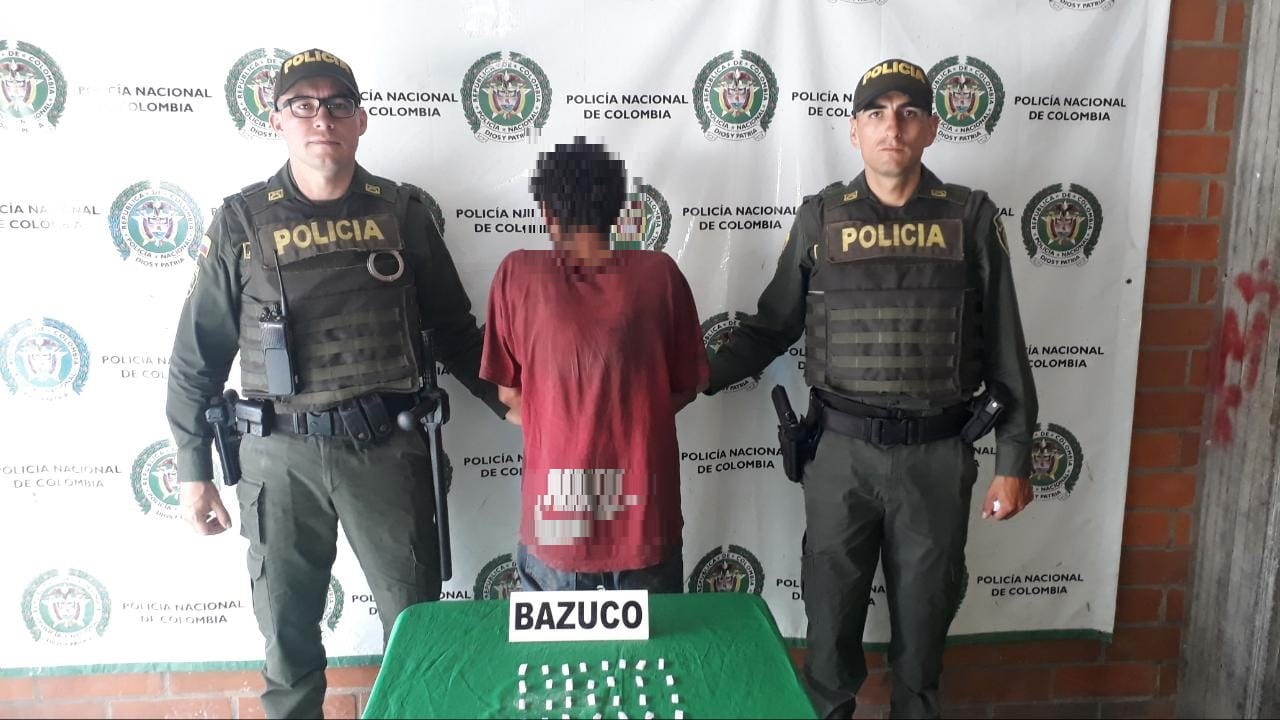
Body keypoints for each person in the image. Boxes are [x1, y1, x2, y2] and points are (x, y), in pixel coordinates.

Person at [166, 48, 508, 718]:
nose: (321, 118)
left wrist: (510, 400)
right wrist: (192, 468)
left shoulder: (403, 213)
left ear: (360, 120)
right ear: (277, 120)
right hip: (279, 458)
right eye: (303, 104)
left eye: (337, 104)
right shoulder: (240, 221)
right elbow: (196, 357)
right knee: (287, 637)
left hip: (387, 451)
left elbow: (454, 330)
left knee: (416, 632)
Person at [703, 58, 1038, 719]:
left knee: (924, 636)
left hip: (936, 459)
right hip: (840, 458)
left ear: (932, 128)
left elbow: (1006, 343)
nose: (893, 127)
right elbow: (772, 326)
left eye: (909, 113)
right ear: (854, 130)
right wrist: (688, 376)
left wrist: (1015, 459)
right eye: (876, 113)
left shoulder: (970, 218)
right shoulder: (821, 218)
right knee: (829, 634)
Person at [480, 137, 708, 593]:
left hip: (557, 522)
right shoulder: (660, 274)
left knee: (556, 640)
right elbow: (686, 385)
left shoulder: (517, 275)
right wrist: (632, 414)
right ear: (619, 210)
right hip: (643, 520)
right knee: (654, 640)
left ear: (547, 211)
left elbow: (508, 394)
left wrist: (559, 417)